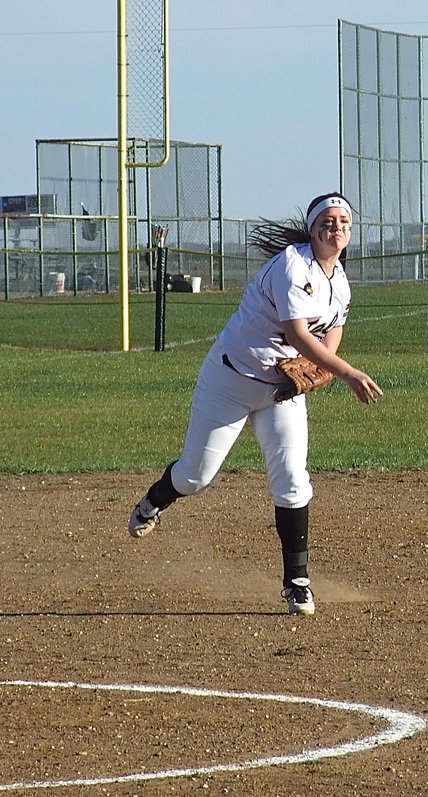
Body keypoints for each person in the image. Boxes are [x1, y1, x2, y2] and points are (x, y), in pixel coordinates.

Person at [127, 192, 384, 616]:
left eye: (344, 222)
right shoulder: (292, 265)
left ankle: (297, 583)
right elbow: (298, 333)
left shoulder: (339, 279)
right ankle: (155, 499)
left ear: (351, 232)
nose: (336, 228)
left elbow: (333, 328)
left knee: (292, 480)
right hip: (230, 380)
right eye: (327, 221)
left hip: (281, 390)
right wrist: (346, 373)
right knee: (195, 476)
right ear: (312, 229)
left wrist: (318, 368)